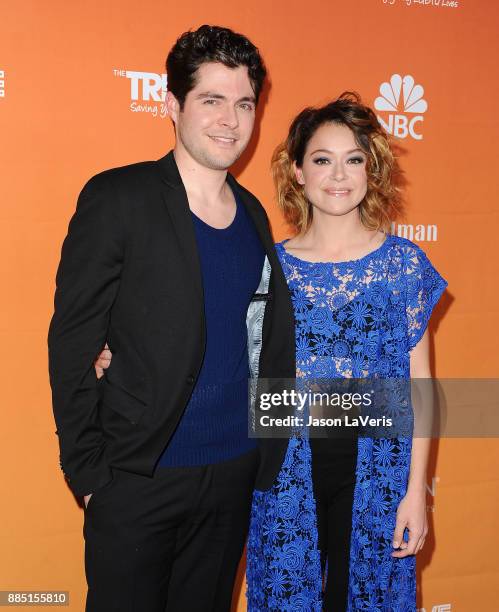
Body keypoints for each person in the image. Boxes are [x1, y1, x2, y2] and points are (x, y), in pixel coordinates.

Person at [48, 25, 296, 612]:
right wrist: (89, 473)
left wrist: (265, 449)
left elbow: (260, 341)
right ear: (171, 105)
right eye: (211, 100)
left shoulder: (255, 214)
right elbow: (72, 341)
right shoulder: (118, 197)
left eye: (243, 104)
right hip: (137, 477)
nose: (231, 121)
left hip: (232, 471)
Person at [245, 93, 447, 610]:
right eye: (322, 159)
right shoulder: (269, 267)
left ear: (371, 170)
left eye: (353, 159)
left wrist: (416, 492)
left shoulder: (403, 265)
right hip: (284, 473)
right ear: (297, 171)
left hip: (378, 473)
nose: (339, 175)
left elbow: (418, 387)